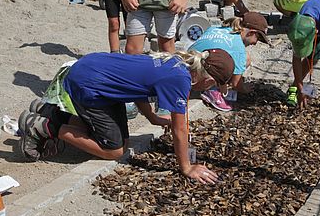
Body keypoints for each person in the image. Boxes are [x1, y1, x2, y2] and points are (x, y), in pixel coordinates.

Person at [19, 49, 234, 185]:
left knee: (122, 141)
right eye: (215, 84)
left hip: (97, 70)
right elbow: (180, 130)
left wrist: (152, 118)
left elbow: (139, 88)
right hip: (90, 84)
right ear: (207, 79)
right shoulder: (181, 81)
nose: (211, 88)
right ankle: (44, 127)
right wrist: (186, 168)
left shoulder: (177, 63)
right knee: (114, 150)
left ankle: (48, 111)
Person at [188, 12, 271, 111]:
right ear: (251, 33)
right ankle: (212, 90)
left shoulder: (215, 28)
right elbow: (236, 85)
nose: (255, 43)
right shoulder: (238, 48)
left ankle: (213, 84)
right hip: (199, 81)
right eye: (258, 38)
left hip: (188, 67)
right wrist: (244, 88)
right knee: (245, 59)